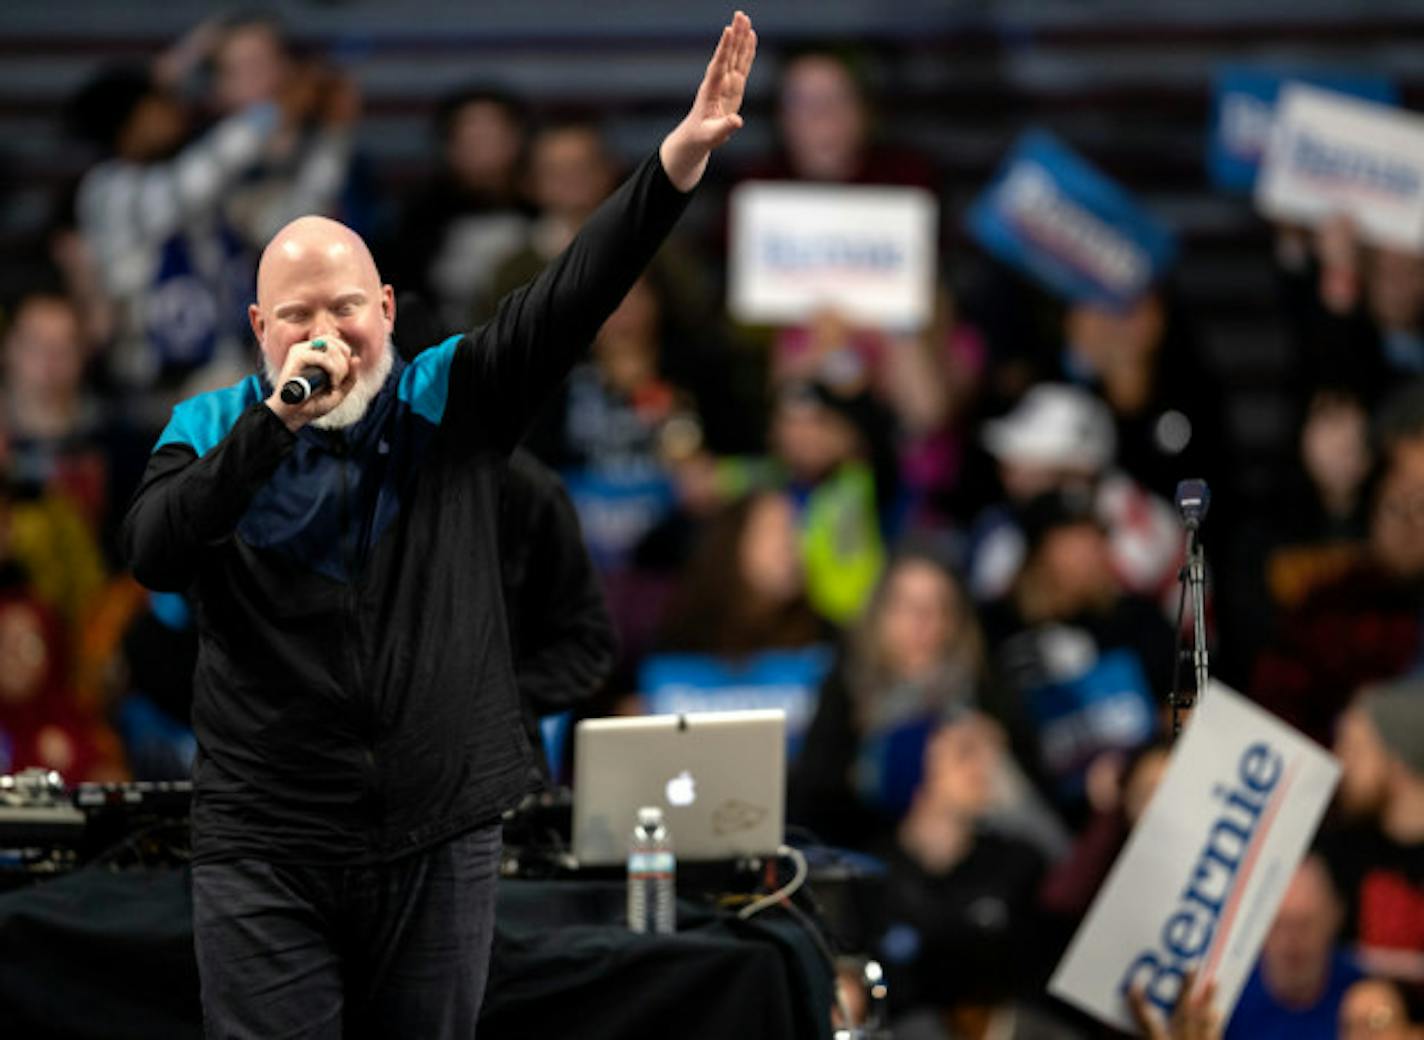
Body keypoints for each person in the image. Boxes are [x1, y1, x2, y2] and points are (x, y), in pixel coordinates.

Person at [120, 13, 758, 1038]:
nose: (323, 332)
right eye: (295, 316)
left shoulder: (445, 396)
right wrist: (275, 421)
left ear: (384, 305)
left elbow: (569, 294)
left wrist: (673, 166)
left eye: (343, 307)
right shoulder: (209, 424)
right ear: (258, 330)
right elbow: (154, 548)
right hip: (265, 838)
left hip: (435, 828)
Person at [1224, 855, 1363, 1039]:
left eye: (1304, 924)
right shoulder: (1225, 1000)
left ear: (1335, 917)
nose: (1290, 941)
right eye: (1278, 925)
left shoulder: (1363, 998)